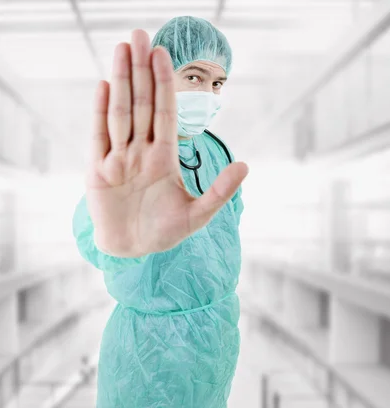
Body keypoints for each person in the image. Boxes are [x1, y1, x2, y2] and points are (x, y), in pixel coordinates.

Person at [72, 15, 249, 408]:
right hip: (147, 352)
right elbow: (97, 231)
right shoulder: (134, 154)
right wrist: (120, 243)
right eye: (194, 77)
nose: (207, 92)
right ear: (161, 77)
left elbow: (227, 230)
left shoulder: (217, 151)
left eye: (217, 83)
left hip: (216, 338)